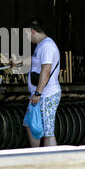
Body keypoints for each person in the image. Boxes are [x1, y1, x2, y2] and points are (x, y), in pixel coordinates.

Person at [23, 18, 61, 147]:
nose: (26, 38)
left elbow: (46, 69)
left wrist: (38, 93)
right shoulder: (41, 46)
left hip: (46, 94)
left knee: (47, 130)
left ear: (32, 31)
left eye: (26, 34)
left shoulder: (47, 46)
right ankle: (36, 154)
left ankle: (51, 161)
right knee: (30, 124)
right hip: (39, 95)